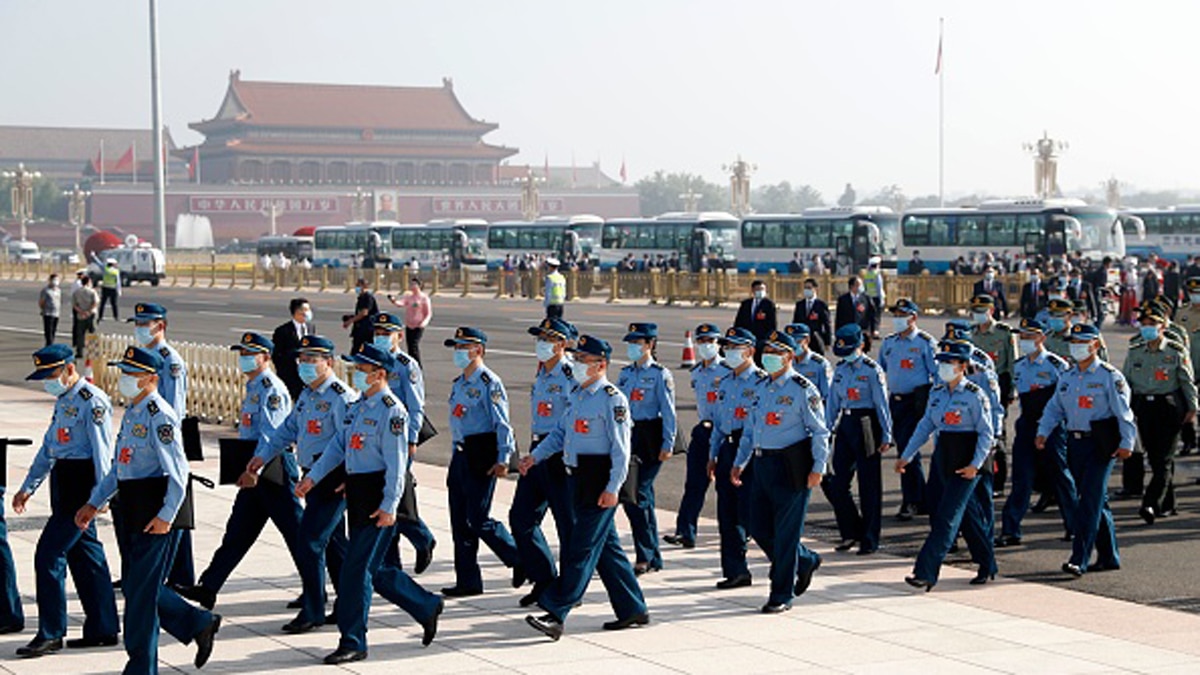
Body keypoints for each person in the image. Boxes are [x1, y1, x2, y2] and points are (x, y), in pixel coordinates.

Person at [295, 343, 443, 664]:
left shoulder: (392, 411)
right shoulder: (358, 405)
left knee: (355, 572)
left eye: (361, 370)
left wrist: (390, 506)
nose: (356, 375)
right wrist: (313, 478)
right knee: (373, 570)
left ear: (378, 374)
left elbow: (397, 464)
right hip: (359, 492)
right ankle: (425, 605)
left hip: (379, 496)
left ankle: (353, 640)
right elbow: (338, 446)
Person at [77, 346, 220, 674]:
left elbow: (178, 472)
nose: (124, 379)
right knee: (139, 588)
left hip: (154, 513)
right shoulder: (134, 411)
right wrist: (93, 502)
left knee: (140, 595)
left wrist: (166, 516)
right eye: (124, 372)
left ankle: (141, 667)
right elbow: (119, 468)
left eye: (131, 374)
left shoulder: (160, 415)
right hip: (132, 508)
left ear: (151, 378)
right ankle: (198, 622)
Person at [522, 334, 648, 640]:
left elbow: (621, 450)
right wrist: (534, 457)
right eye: (576, 359)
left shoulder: (612, 399)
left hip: (600, 479)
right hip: (578, 477)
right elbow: (559, 434)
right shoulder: (578, 395)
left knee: (579, 548)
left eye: (583, 360)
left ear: (601, 365)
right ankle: (633, 608)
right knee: (607, 550)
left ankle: (556, 612)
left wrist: (613, 487)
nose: (577, 364)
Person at [174, 333, 309, 613]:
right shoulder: (253, 386)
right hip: (255, 468)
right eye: (242, 352)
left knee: (297, 534)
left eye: (251, 353)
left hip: (272, 469)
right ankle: (208, 587)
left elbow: (272, 436)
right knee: (238, 532)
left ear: (266, 357)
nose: (244, 358)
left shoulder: (271, 388)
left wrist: (255, 470)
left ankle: (315, 590)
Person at [12, 345, 119, 657]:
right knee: (86, 558)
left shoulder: (92, 401)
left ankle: (51, 632)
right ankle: (103, 628)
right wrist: (29, 486)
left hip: (82, 485)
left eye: (51, 375)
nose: (48, 382)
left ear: (69, 369)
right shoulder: (64, 401)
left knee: (48, 555)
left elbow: (102, 453)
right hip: (64, 481)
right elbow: (50, 447)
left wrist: (101, 497)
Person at [249, 335, 356, 633]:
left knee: (309, 543)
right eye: (303, 359)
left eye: (312, 359)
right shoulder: (309, 394)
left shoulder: (341, 396)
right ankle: (349, 603)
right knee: (334, 545)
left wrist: (322, 477)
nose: (305, 365)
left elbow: (344, 444)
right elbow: (288, 430)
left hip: (331, 478)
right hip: (313, 474)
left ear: (329, 363)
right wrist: (262, 456)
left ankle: (312, 610)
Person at [731, 329, 829, 613]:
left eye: (776, 353)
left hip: (791, 467)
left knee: (786, 534)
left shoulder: (802, 388)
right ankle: (805, 560)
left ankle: (781, 594)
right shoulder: (761, 387)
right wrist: (740, 461)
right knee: (758, 526)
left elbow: (820, 431)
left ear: (789, 357)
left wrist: (818, 468)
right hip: (762, 464)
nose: (769, 357)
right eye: (768, 352)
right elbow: (750, 430)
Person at [1036, 323, 1136, 577]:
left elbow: (1123, 413)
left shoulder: (1108, 376)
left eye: (1082, 343)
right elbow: (1054, 408)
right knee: (1095, 500)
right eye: (1074, 342)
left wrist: (1127, 443)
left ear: (1095, 345)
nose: (1076, 347)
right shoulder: (1068, 377)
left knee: (1088, 502)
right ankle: (1109, 555)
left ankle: (1079, 558)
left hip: (1101, 444)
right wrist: (1043, 431)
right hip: (1075, 442)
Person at [896, 341, 995, 591]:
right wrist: (907, 455)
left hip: (968, 457)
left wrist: (975, 464)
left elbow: (986, 433)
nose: (943, 367)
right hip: (945, 455)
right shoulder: (937, 393)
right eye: (942, 362)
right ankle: (987, 564)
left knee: (947, 517)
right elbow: (925, 426)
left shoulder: (974, 394)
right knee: (968, 516)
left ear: (963, 366)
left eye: (949, 363)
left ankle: (925, 572)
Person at [441, 327, 523, 597]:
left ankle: (519, 558)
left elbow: (503, 424)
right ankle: (468, 580)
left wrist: (503, 458)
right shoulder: (459, 383)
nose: (459, 353)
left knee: (477, 518)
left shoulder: (489, 383)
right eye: (457, 348)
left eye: (464, 347)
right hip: (461, 456)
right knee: (459, 521)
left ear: (479, 350)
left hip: (482, 457)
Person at [510, 318, 577, 608]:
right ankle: (544, 578)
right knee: (521, 517)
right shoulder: (543, 373)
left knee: (567, 525)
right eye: (539, 338)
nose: (541, 344)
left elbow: (573, 421)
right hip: (538, 449)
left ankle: (569, 590)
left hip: (560, 453)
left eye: (548, 339)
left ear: (561, 344)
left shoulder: (571, 374)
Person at [128, 302, 193, 587]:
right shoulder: (146, 357)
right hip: (150, 439)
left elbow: (174, 409)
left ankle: (180, 575)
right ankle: (175, 573)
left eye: (146, 324)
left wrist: (166, 443)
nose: (141, 329)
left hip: (164, 438)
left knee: (175, 506)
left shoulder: (170, 361)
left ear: (161, 325)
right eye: (138, 324)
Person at [996, 319, 1077, 548]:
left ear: (1042, 338)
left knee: (1061, 477)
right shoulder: (1020, 365)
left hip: (1052, 425)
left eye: (1029, 337)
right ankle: (1011, 530)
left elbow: (1065, 397)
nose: (1025, 341)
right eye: (1022, 337)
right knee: (1022, 478)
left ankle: (1074, 526)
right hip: (1028, 424)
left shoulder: (1055, 364)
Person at [371, 314, 436, 574]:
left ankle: (422, 539)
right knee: (386, 501)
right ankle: (391, 564)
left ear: (399, 335)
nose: (381, 337)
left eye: (387, 333)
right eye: (377, 332)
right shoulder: (371, 362)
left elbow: (416, 406)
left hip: (398, 439)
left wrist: (411, 440)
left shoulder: (406, 365)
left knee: (395, 497)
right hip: (374, 439)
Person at [1123, 305, 1197, 524]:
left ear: (1163, 326)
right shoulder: (1135, 350)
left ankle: (1150, 502)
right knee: (1156, 458)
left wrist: (1193, 408)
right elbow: (1126, 381)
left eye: (1152, 325)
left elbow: (1186, 380)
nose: (1148, 329)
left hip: (1169, 408)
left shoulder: (1175, 350)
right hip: (1144, 408)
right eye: (1144, 325)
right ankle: (1168, 503)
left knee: (1163, 459)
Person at [823, 324, 892, 556]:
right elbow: (833, 401)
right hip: (846, 422)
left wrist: (887, 434)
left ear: (861, 345)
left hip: (866, 424)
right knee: (838, 483)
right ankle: (850, 530)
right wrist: (826, 429)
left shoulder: (872, 370)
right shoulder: (841, 369)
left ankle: (870, 538)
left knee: (869, 485)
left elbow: (882, 404)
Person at [617, 323, 677, 575]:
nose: (633, 348)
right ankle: (653, 556)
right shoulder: (625, 373)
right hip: (629, 435)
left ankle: (645, 554)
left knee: (636, 495)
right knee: (643, 498)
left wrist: (668, 443)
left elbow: (669, 411)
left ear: (650, 344)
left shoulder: (660, 374)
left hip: (651, 437)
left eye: (637, 343)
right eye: (630, 343)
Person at [707, 328, 762, 589]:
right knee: (727, 515)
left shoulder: (761, 382)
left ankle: (798, 560)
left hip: (750, 450)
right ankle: (736, 571)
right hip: (728, 448)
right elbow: (719, 423)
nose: (729, 352)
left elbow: (755, 428)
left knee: (754, 516)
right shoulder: (725, 382)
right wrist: (713, 454)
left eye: (735, 347)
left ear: (750, 351)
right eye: (727, 347)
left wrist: (742, 459)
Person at [665, 323, 729, 549]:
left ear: (718, 344)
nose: (705, 346)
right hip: (704, 430)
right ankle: (685, 531)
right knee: (694, 483)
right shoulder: (697, 372)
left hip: (725, 432)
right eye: (701, 341)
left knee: (727, 486)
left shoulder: (728, 370)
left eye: (709, 341)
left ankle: (738, 530)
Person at [878, 298, 939, 519]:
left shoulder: (925, 342)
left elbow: (937, 374)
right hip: (896, 401)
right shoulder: (889, 342)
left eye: (901, 315)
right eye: (895, 315)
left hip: (916, 401)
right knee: (905, 447)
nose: (897, 319)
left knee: (907, 448)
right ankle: (920, 498)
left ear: (913, 317)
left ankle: (911, 500)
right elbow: (881, 370)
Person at [272, 298, 315, 400]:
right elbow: (277, 355)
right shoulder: (283, 331)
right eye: (306, 309)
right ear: (297, 312)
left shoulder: (310, 327)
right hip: (290, 375)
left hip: (307, 374)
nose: (308, 312)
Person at [1176, 277, 1200, 454]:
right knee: (1185, 408)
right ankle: (1188, 441)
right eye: (1193, 293)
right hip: (1186, 368)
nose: (1196, 296)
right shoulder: (1181, 313)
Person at [388, 277, 431, 365]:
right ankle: (411, 365)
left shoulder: (424, 298)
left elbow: (428, 313)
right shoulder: (409, 297)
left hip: (418, 325)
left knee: (414, 345)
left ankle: (418, 366)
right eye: (411, 284)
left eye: (414, 284)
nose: (412, 286)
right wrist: (394, 301)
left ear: (419, 285)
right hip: (409, 325)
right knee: (410, 346)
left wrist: (424, 322)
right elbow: (401, 303)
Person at [792, 278, 832, 355]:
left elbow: (827, 324)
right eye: (805, 288)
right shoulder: (800, 305)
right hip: (802, 341)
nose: (807, 290)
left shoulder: (821, 305)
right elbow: (795, 322)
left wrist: (827, 342)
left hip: (816, 339)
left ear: (815, 289)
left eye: (809, 288)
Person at [835, 276, 875, 352]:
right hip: (848, 333)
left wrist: (873, 330)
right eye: (858, 285)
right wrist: (838, 334)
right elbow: (839, 318)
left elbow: (872, 315)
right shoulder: (843, 299)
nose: (860, 287)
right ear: (852, 286)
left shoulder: (866, 298)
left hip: (862, 332)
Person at [734, 280, 778, 345]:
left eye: (762, 289)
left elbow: (772, 324)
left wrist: (769, 339)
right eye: (758, 289)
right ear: (753, 290)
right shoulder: (745, 304)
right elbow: (738, 321)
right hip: (746, 338)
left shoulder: (769, 305)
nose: (760, 291)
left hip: (762, 338)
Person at [343, 278, 378, 352]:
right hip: (360, 329)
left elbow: (364, 313)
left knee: (363, 350)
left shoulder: (367, 297)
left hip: (366, 329)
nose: (357, 288)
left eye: (358, 286)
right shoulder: (361, 298)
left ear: (364, 286)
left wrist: (350, 321)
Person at [71, 275, 99, 359]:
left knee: (80, 334)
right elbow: (95, 302)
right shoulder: (92, 291)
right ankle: (92, 350)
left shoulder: (77, 292)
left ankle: (79, 351)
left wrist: (81, 311)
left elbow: (74, 304)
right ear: (88, 282)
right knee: (92, 333)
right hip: (91, 314)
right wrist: (89, 311)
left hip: (80, 315)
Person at [863, 257, 886, 338]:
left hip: (868, 297)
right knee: (877, 315)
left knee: (869, 315)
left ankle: (869, 331)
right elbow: (879, 288)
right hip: (876, 297)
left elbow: (865, 287)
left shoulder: (867, 275)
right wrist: (881, 299)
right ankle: (875, 331)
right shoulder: (877, 275)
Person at [38, 274, 61, 347]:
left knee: (53, 330)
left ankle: (51, 343)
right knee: (48, 331)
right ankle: (49, 345)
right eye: (54, 280)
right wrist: (43, 309)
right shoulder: (46, 290)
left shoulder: (58, 290)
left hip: (56, 313)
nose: (56, 282)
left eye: (57, 280)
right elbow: (42, 301)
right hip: (48, 313)